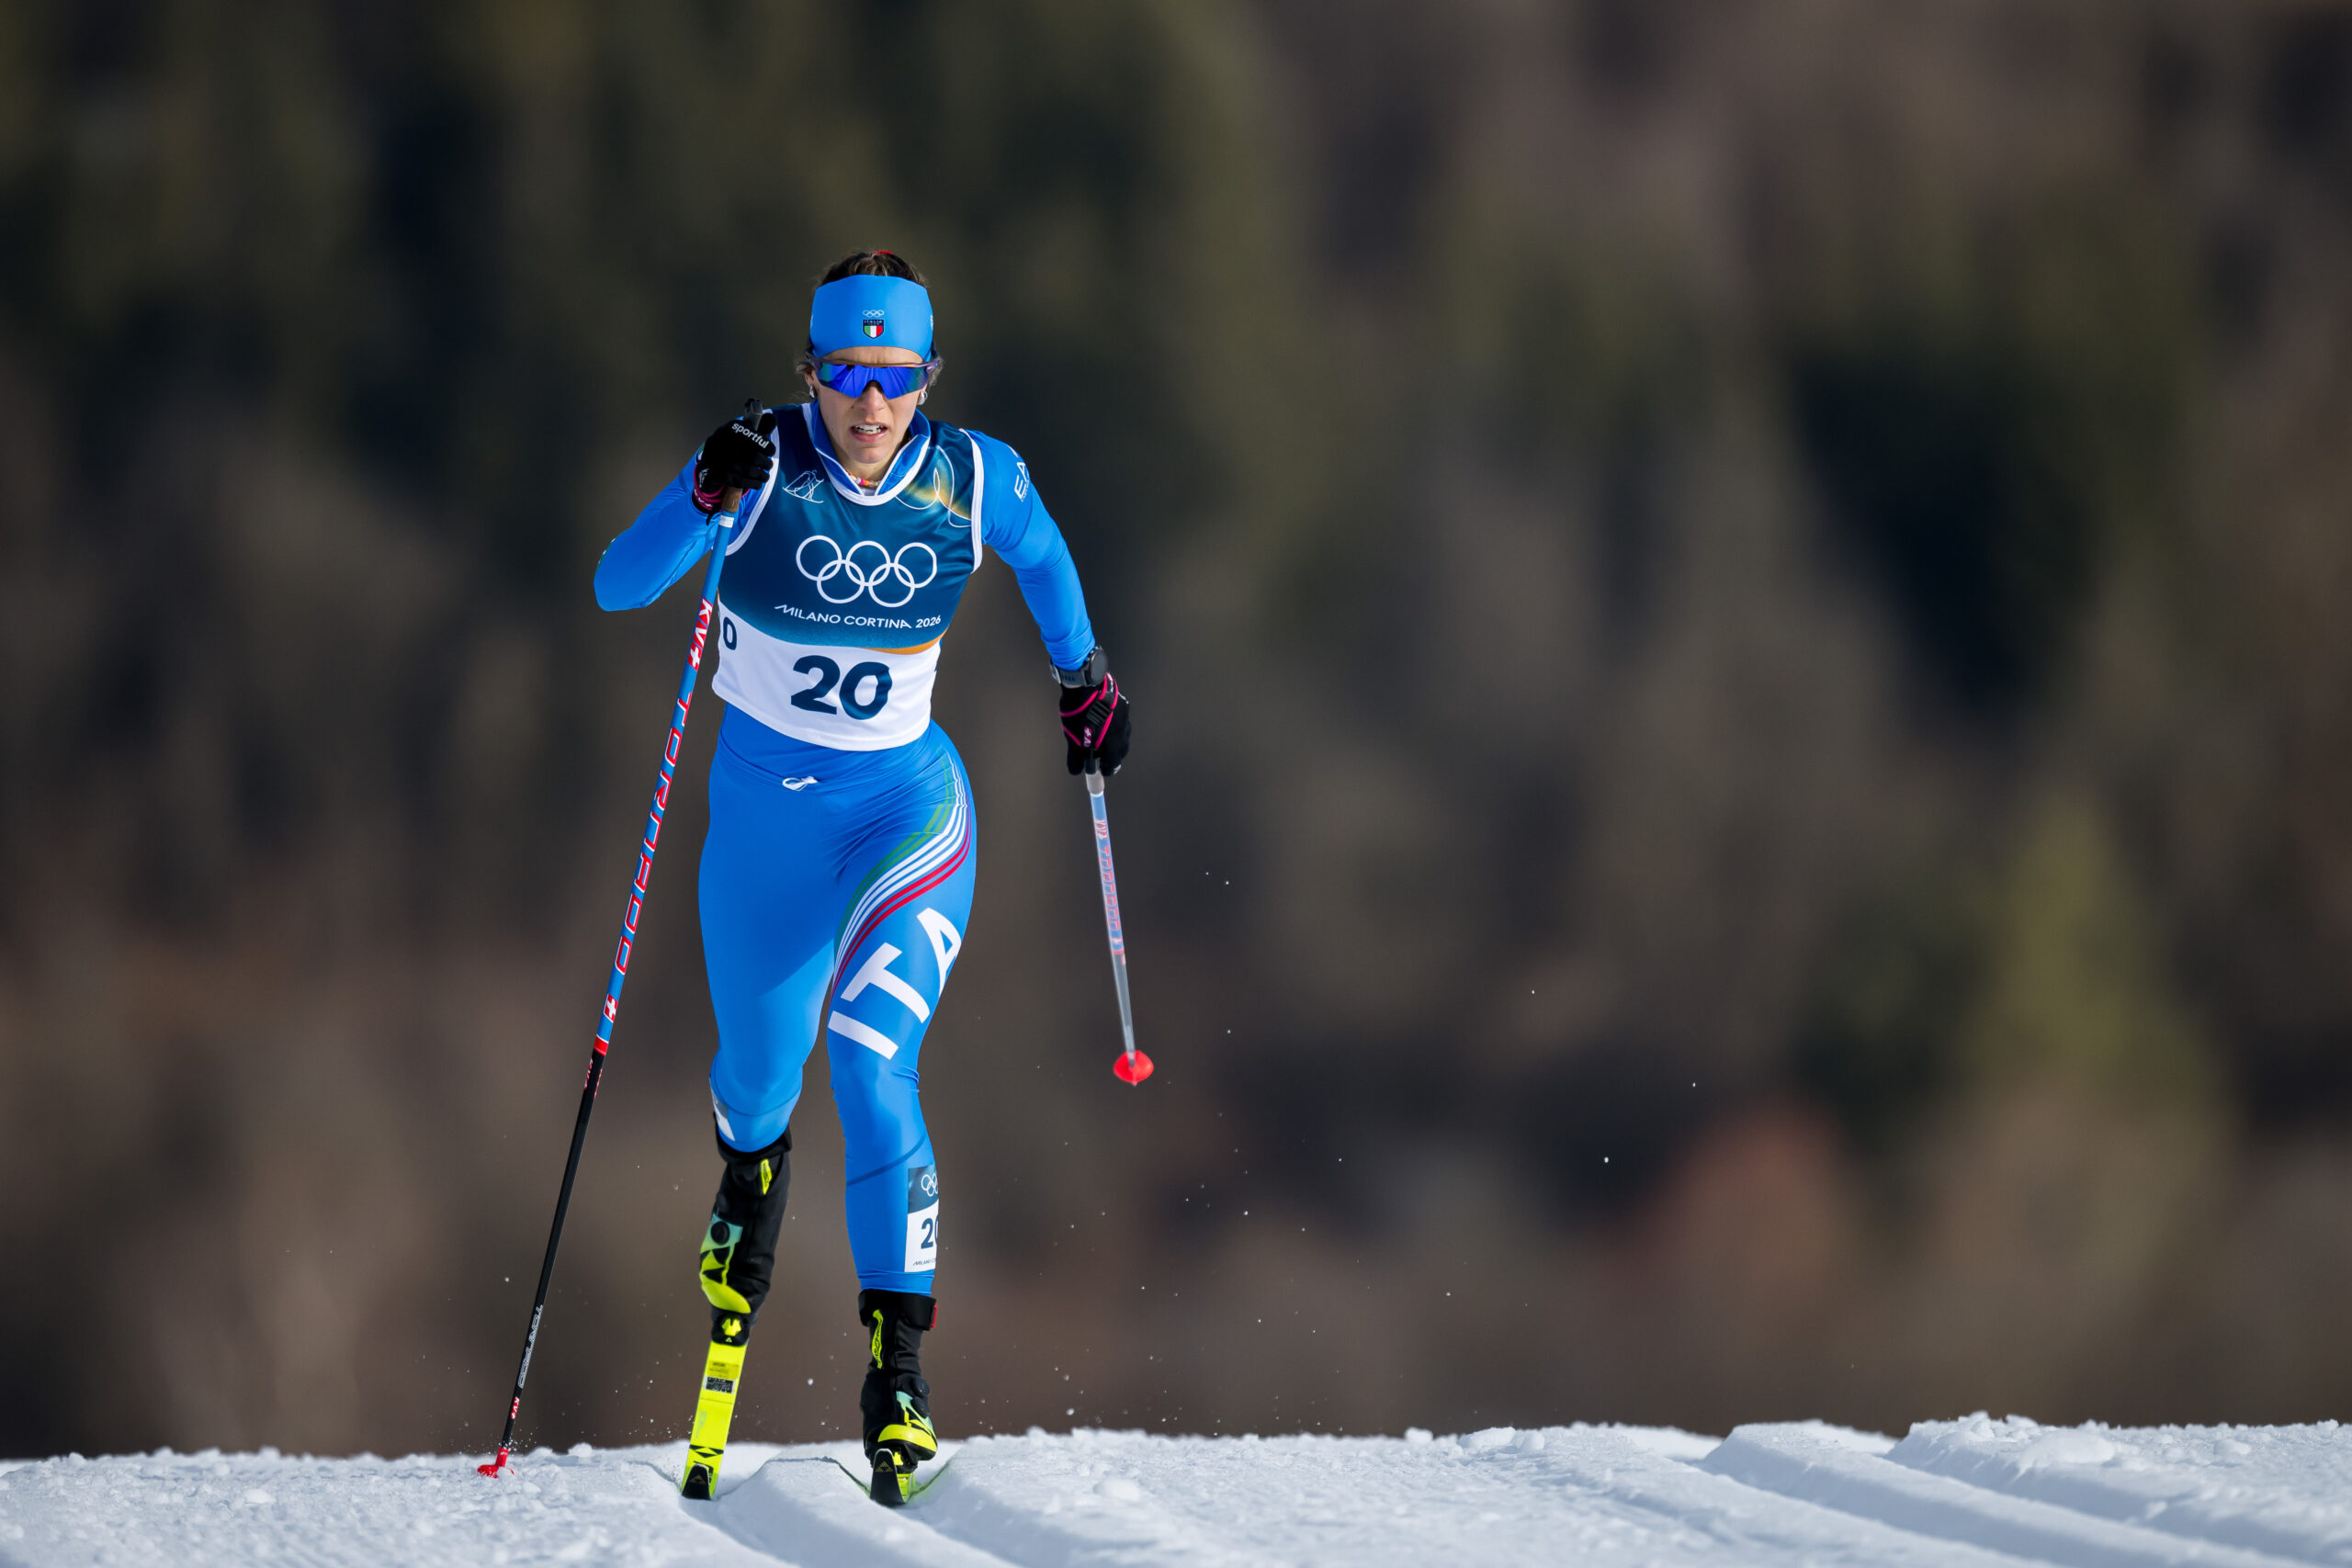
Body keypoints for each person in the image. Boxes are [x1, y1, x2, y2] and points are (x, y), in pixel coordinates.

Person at [592, 250, 1131, 1504]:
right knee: (758, 1087)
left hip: (908, 818)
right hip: (763, 833)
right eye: (846, 373)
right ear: (813, 374)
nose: (870, 405)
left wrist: (1082, 674)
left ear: (926, 378)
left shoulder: (974, 478)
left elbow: (1044, 558)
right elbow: (620, 583)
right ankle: (751, 1171)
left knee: (872, 1064)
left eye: (896, 377)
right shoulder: (763, 463)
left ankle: (897, 1380)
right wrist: (696, 495)